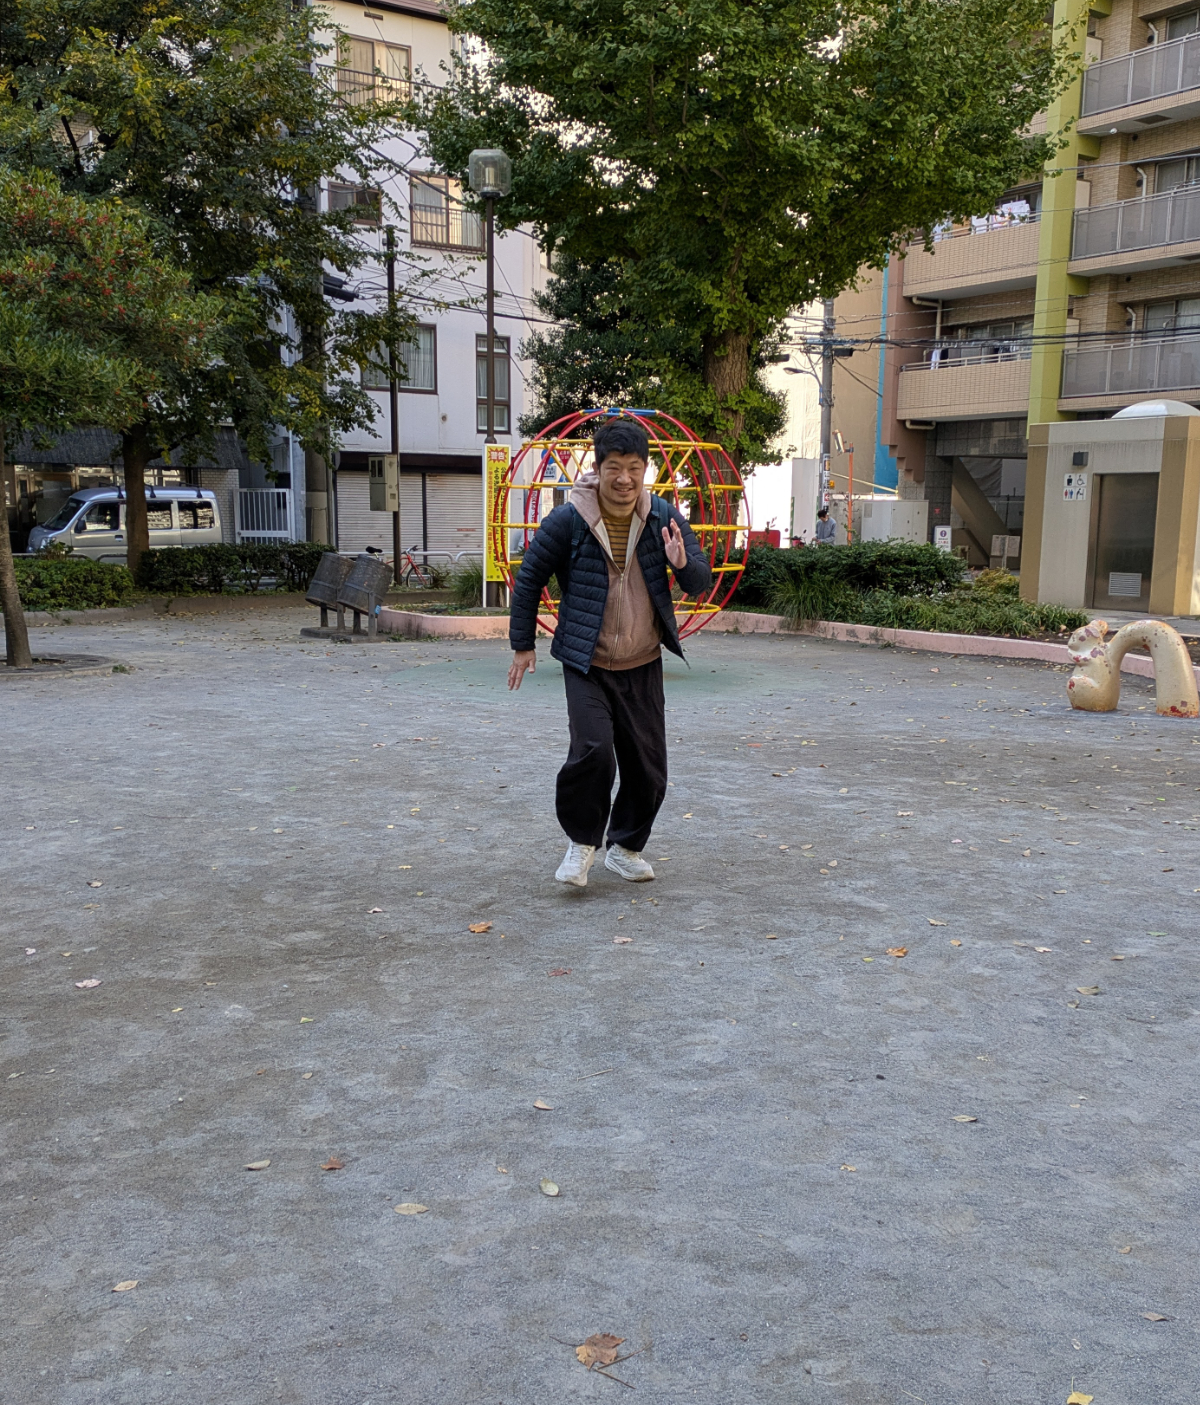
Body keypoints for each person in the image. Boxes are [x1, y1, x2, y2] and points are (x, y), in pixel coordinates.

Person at [507, 418, 712, 887]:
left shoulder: (662, 516)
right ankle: (581, 845)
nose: (624, 478)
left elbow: (699, 578)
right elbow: (530, 578)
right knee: (594, 751)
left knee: (649, 769)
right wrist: (522, 645)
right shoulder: (569, 520)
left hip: (642, 662)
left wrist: (682, 563)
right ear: (598, 469)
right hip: (587, 662)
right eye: (614, 467)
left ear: (645, 470)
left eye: (634, 468)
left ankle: (624, 849)